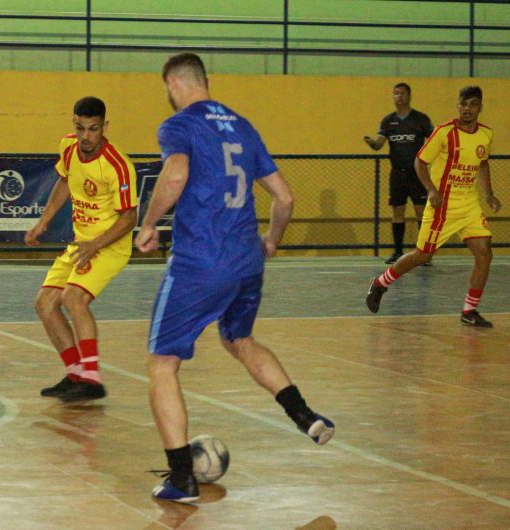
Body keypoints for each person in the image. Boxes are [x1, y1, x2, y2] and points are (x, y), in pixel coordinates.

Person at [135, 53, 334, 503]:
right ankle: (305, 416)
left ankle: (181, 477)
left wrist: (149, 223)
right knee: (239, 340)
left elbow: (177, 172)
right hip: (247, 259)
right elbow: (284, 197)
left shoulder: (179, 125)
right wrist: (272, 241)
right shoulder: (243, 126)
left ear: (172, 83)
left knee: (162, 362)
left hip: (201, 261)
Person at [25, 96, 138, 402]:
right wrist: (43, 222)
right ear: (72, 124)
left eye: (93, 129)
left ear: (105, 126)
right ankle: (75, 374)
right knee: (45, 303)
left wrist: (95, 245)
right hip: (81, 243)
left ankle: (92, 379)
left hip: (110, 245)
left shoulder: (117, 166)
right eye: (80, 128)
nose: (86, 136)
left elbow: (129, 217)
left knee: (73, 298)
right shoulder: (68, 147)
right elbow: (64, 182)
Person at [367, 86, 500, 328]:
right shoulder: (444, 132)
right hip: (443, 205)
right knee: (423, 255)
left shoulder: (486, 135)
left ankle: (469, 310)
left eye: (473, 104)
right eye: (463, 104)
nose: (467, 109)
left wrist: (489, 194)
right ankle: (380, 283)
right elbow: (420, 161)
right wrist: (431, 189)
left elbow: (482, 164)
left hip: (469, 204)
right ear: (458, 106)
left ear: (480, 107)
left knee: (484, 253)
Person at [364, 83, 434, 264]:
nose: (399, 97)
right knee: (398, 212)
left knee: (421, 212)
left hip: (417, 173)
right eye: (396, 93)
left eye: (402, 93)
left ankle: (423, 253)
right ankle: (397, 252)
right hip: (397, 174)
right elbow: (379, 144)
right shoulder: (388, 121)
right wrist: (372, 143)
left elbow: (434, 140)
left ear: (409, 96)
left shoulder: (420, 119)